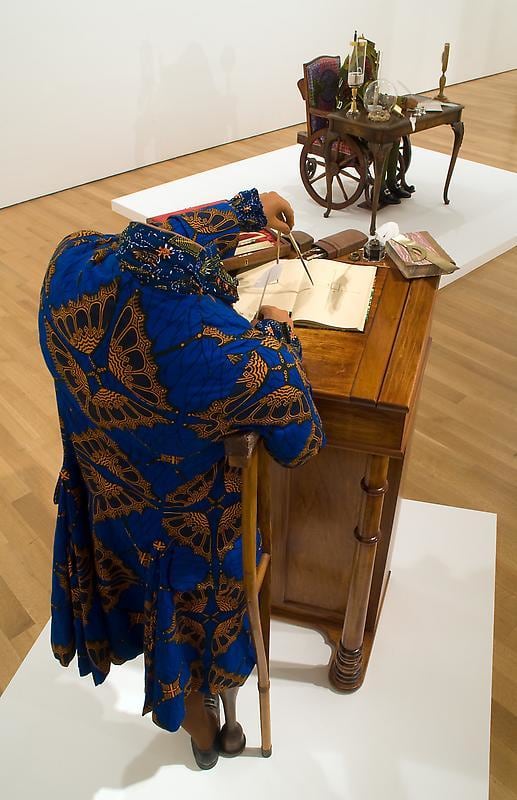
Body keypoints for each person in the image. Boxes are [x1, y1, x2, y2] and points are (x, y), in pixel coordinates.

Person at [38, 188, 324, 769]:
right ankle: (207, 708)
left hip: (109, 505)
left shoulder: (67, 266)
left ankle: (193, 719)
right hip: (196, 537)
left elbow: (151, 247)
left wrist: (247, 211)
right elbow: (302, 443)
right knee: (197, 588)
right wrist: (279, 335)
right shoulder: (230, 356)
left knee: (148, 584)